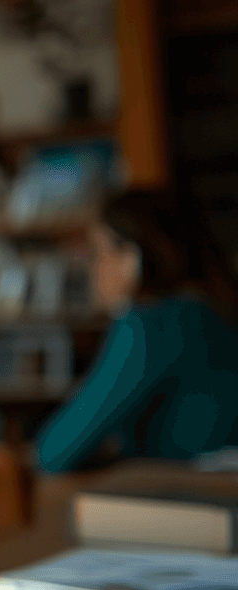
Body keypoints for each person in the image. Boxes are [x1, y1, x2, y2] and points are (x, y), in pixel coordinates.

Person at [35, 189, 238, 472]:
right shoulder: (204, 310)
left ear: (134, 260)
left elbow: (53, 453)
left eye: (98, 253)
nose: (91, 268)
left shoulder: (151, 325)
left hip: (187, 501)